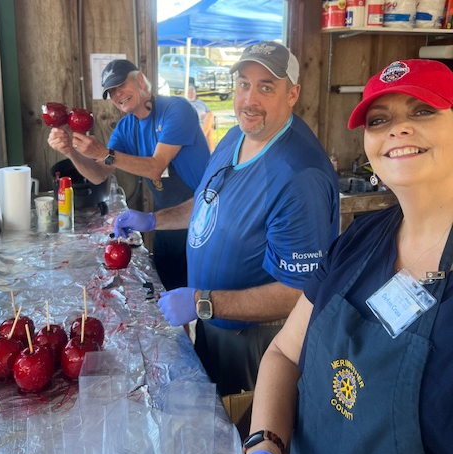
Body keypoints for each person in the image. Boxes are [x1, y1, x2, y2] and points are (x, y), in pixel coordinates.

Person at [243, 59, 453, 454]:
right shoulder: (358, 239)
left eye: (423, 110)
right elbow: (284, 354)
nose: (397, 128)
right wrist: (266, 444)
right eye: (379, 119)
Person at [114, 42, 340, 396]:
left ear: (293, 94)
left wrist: (205, 301)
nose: (249, 99)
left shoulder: (299, 176)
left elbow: (300, 291)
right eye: (243, 84)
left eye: (266, 87)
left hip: (257, 342)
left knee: (239, 432)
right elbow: (208, 202)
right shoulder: (236, 135)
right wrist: (153, 220)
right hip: (213, 321)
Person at [47, 59, 210, 291]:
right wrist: (70, 151)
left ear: (141, 80)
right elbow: (98, 176)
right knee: (170, 293)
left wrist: (104, 153)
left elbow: (155, 166)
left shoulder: (176, 109)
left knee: (204, 298)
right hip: (166, 220)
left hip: (204, 218)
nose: (117, 95)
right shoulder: (126, 128)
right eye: (111, 92)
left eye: (121, 85)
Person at [187, 84, 215, 152]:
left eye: (192, 92)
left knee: (210, 116)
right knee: (210, 130)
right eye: (189, 93)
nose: (191, 94)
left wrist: (207, 115)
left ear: (195, 94)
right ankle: (212, 153)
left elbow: (209, 113)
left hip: (204, 122)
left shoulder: (201, 103)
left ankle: (201, 138)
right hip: (194, 123)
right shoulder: (186, 103)